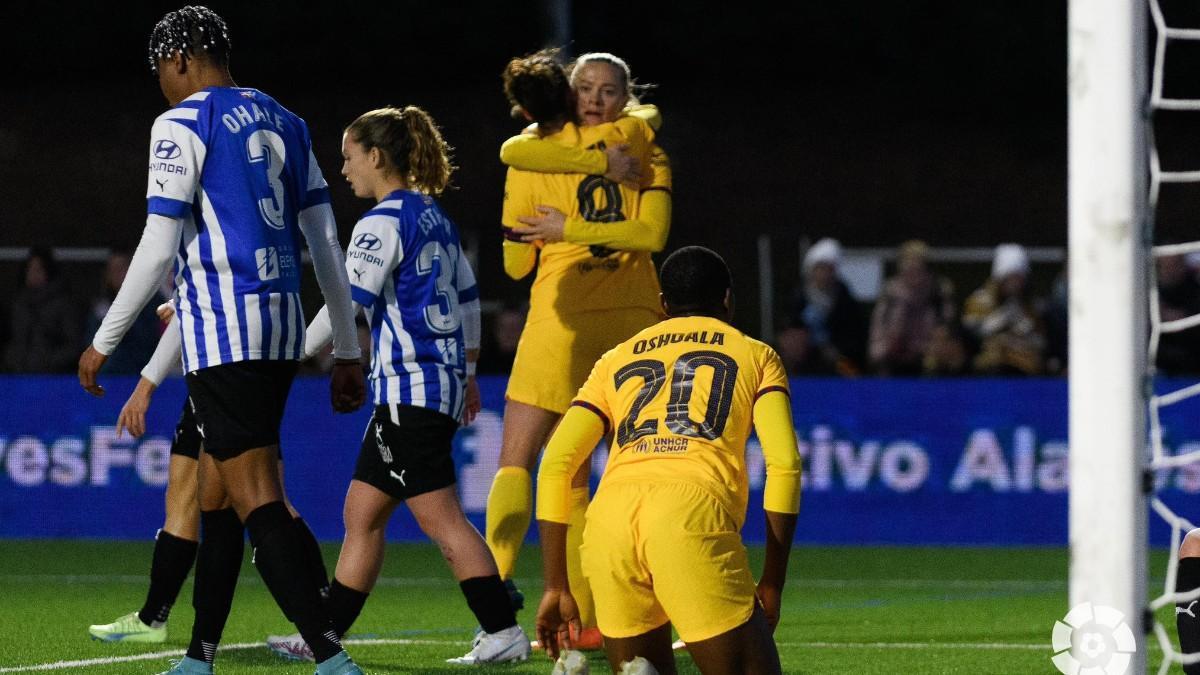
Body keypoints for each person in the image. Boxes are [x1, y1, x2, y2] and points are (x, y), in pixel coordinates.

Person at [76, 7, 365, 674]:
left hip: (223, 329)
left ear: (178, 59)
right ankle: (199, 655)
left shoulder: (182, 122)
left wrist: (105, 337)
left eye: (160, 71)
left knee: (257, 494)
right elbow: (325, 242)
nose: (161, 84)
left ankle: (330, 655)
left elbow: (157, 247)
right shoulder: (287, 121)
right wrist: (344, 348)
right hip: (281, 324)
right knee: (214, 492)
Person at [265, 106, 530, 665]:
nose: (344, 169)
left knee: (442, 519)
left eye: (348, 156)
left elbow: (346, 304)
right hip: (428, 387)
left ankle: (502, 628)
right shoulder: (433, 216)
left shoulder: (381, 223)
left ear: (376, 156)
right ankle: (326, 636)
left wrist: (286, 355)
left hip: (411, 391)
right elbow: (466, 299)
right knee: (362, 514)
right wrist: (469, 371)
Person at [535, 246, 801, 675]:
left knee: (645, 669)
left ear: (662, 305)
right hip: (689, 513)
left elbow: (556, 463)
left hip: (611, 522)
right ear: (728, 300)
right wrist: (773, 580)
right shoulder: (757, 355)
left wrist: (554, 584)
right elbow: (785, 463)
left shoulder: (615, 359)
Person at [485, 49, 672, 646]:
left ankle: (495, 607)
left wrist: (556, 231)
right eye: (586, 87)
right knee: (601, 479)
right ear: (571, 92)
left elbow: (516, 264)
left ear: (622, 95)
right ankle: (599, 621)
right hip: (634, 328)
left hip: (561, 323)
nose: (595, 98)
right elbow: (653, 235)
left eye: (606, 90)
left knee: (520, 461)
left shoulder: (535, 152)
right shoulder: (642, 144)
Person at [87, 307, 330, 645]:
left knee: (262, 504)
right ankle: (153, 618)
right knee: (194, 498)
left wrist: (143, 385)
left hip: (222, 375)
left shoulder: (209, 261)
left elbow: (181, 300)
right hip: (229, 376)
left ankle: (321, 628)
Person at [867, 240, 956, 376]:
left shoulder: (938, 292)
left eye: (917, 263)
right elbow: (878, 330)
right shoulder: (890, 294)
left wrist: (935, 346)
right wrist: (882, 350)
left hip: (928, 357)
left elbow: (947, 326)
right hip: (894, 355)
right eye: (908, 262)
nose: (912, 267)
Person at [961, 243, 1046, 375]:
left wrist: (1024, 329)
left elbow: (1042, 342)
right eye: (1009, 277)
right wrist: (994, 324)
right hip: (990, 368)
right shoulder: (979, 301)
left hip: (1024, 368)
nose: (1014, 283)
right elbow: (969, 336)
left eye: (1018, 277)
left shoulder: (1033, 304)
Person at [791, 238, 866, 375]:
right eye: (820, 268)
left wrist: (838, 350)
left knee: (850, 371)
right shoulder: (799, 297)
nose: (824, 274)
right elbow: (792, 327)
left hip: (838, 359)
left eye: (829, 269)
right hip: (805, 359)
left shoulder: (845, 299)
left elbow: (855, 334)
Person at [84, 250, 164, 375]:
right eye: (113, 270)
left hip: (144, 375)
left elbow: (153, 341)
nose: (118, 274)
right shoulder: (101, 307)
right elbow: (92, 345)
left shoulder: (152, 302)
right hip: (109, 377)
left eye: (122, 268)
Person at [4, 245, 81, 373]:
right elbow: (10, 340)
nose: (33, 274)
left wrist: (48, 361)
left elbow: (73, 345)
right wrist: (12, 359)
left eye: (38, 269)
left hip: (52, 378)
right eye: (30, 269)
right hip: (18, 376)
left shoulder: (63, 305)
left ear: (48, 271)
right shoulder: (19, 304)